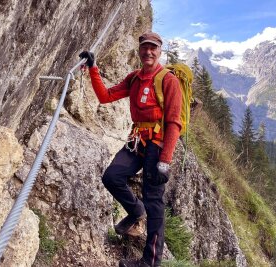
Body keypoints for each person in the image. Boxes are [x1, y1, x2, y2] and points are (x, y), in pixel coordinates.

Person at [79, 31, 182, 267]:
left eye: (153, 48)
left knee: (154, 201)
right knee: (112, 176)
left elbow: (175, 123)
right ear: (139, 50)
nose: (148, 52)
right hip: (136, 141)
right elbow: (105, 97)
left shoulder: (168, 81)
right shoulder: (134, 78)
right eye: (145, 47)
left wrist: (165, 161)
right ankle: (136, 212)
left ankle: (150, 261)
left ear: (159, 51)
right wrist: (93, 69)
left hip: (157, 146)